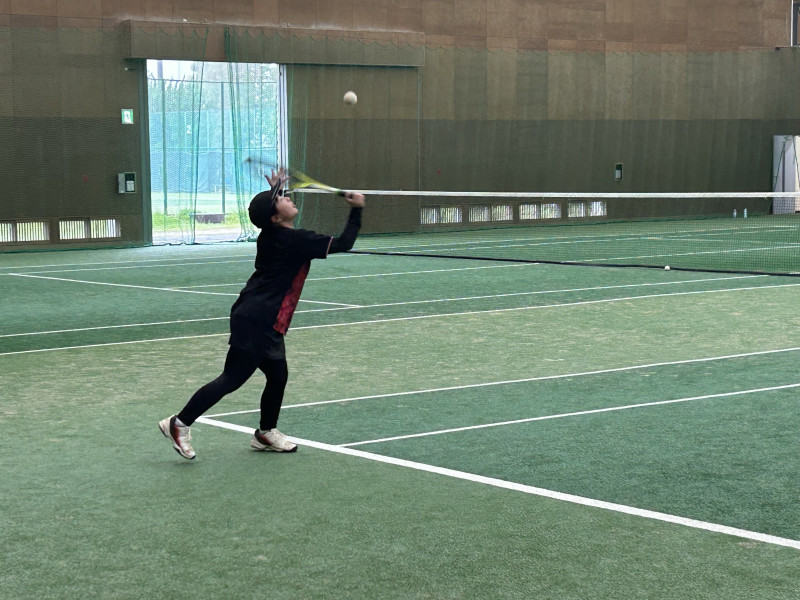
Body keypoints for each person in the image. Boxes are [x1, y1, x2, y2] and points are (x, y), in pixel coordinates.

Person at [159, 169, 365, 459]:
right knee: (232, 378)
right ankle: (179, 423)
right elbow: (344, 243)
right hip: (258, 319)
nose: (288, 199)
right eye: (281, 199)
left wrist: (277, 188)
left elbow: (273, 212)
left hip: (261, 317)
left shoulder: (271, 234)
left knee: (278, 375)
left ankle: (266, 433)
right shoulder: (294, 240)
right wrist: (356, 209)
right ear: (275, 218)